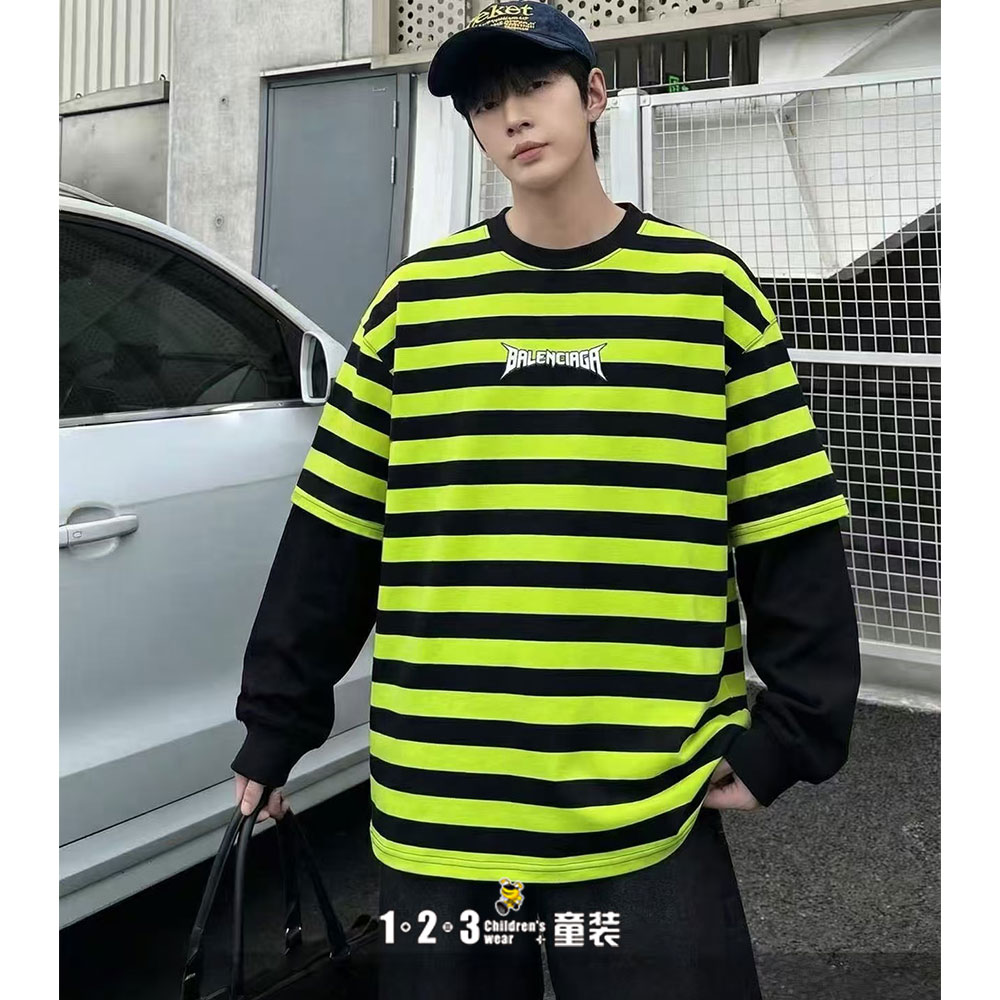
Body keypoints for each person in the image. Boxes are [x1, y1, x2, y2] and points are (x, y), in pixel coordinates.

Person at [230, 5, 861, 997]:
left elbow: (788, 523)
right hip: (442, 803)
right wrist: (276, 724)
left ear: (593, 94)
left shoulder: (705, 293)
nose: (513, 116)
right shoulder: (415, 304)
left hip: (645, 800)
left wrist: (797, 729)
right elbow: (333, 536)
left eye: (533, 86)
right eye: (486, 103)